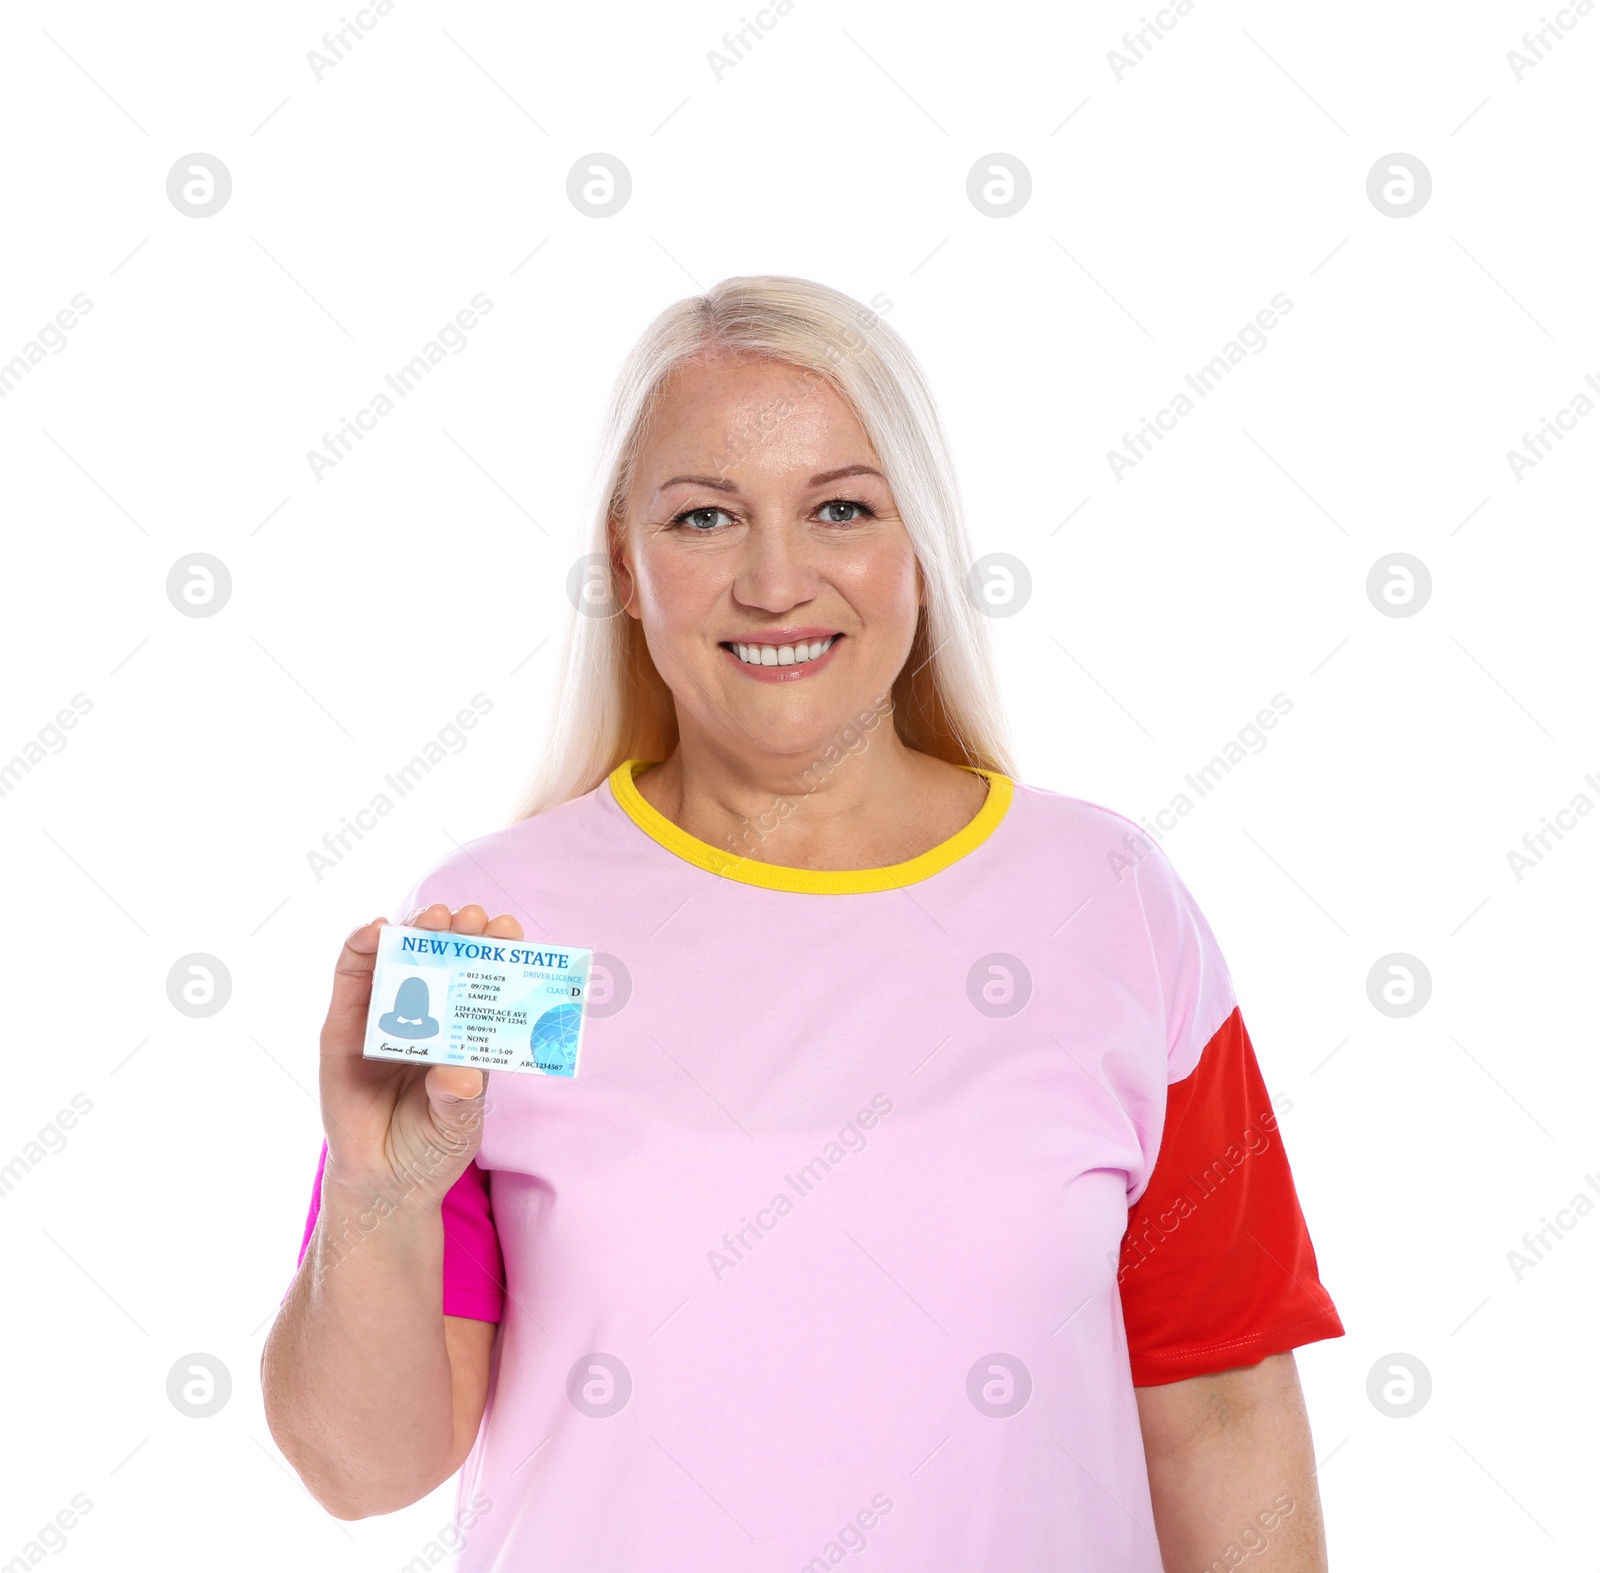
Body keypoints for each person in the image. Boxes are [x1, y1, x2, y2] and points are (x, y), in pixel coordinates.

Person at [261, 275, 1344, 1571]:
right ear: (624, 558)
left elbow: (1223, 1406)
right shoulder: (499, 930)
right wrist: (379, 1197)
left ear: (922, 546)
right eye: (706, 516)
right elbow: (358, 1466)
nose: (776, 580)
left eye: (840, 507)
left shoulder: (1106, 902)